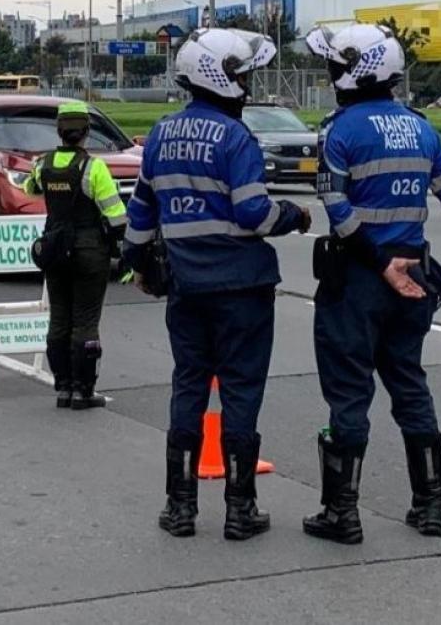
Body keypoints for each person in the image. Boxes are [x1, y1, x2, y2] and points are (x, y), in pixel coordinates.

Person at [121, 29, 311, 540]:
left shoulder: (160, 135)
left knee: (188, 387)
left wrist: (138, 262)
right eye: (242, 75)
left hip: (186, 286)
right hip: (242, 287)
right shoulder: (235, 137)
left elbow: (141, 213)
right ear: (221, 77)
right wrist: (294, 214)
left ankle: (180, 507)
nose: (247, 86)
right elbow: (254, 211)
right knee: (241, 392)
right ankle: (239, 508)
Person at [301, 23, 441, 545]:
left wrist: (379, 264)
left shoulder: (339, 131)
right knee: (409, 384)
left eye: (335, 66)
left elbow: (336, 207)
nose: (331, 75)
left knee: (349, 394)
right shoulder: (422, 129)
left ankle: (342, 513)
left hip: (359, 280)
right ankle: (431, 506)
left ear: (355, 72)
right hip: (416, 277)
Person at [22, 101, 127, 410]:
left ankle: (63, 388)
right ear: (86, 132)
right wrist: (126, 253)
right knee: (85, 321)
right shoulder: (93, 167)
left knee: (59, 319)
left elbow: (31, 188)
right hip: (89, 251)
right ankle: (84, 390)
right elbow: (117, 216)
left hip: (55, 251)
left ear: (59, 130)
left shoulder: (43, 164)